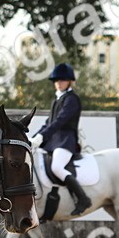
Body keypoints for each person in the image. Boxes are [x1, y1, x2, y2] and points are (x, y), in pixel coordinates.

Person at [31, 63, 92, 215]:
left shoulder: (72, 99)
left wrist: (42, 137)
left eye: (62, 80)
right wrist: (33, 138)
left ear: (69, 81)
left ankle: (83, 198)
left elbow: (59, 122)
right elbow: (48, 123)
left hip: (65, 141)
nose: (59, 83)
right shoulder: (57, 99)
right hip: (52, 142)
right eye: (56, 81)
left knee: (56, 167)